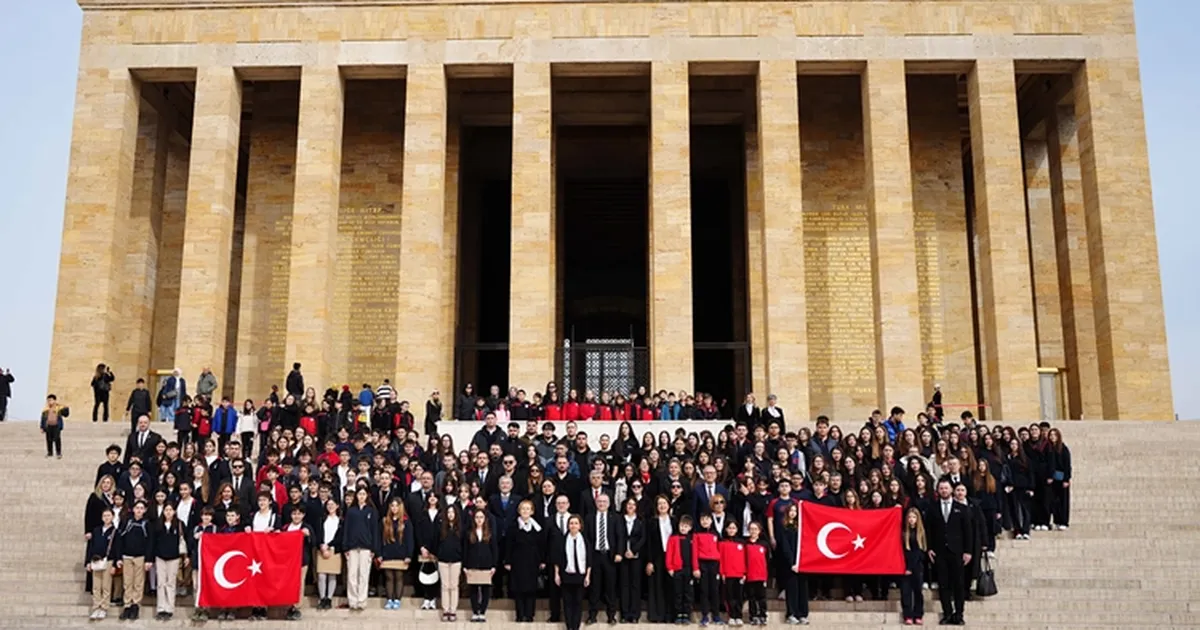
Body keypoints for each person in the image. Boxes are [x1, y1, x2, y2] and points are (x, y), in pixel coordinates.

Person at [926, 479, 971, 625]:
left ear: (951, 490)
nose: (944, 490)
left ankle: (959, 614)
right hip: (940, 551)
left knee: (958, 584)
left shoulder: (961, 508)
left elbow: (968, 532)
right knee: (943, 584)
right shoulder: (932, 508)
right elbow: (929, 530)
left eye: (946, 488)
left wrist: (968, 551)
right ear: (938, 491)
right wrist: (929, 548)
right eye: (941, 488)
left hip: (957, 551)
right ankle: (947, 613)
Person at [585, 493, 623, 625]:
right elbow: (587, 539)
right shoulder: (589, 518)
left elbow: (620, 536)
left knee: (610, 587)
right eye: (599, 501)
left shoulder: (615, 517)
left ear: (609, 503)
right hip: (595, 555)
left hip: (610, 556)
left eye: (604, 501)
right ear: (596, 503)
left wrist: (619, 552)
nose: (602, 504)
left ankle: (611, 615)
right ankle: (592, 615)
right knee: (594, 587)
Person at [506, 499, 545, 622]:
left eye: (528, 509)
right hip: (518, 561)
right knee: (519, 589)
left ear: (532, 511)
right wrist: (507, 561)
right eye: (523, 509)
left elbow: (541, 545)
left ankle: (529, 615)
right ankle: (520, 614)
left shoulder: (537, 528)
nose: (525, 511)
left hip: (533, 561)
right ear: (519, 511)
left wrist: (542, 560)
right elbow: (508, 545)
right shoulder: (513, 526)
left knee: (531, 590)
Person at [343, 486, 381, 611]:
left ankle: (362, 600)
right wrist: (345, 547)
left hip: (366, 548)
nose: (361, 497)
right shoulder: (351, 511)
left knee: (364, 575)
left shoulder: (371, 511)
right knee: (352, 574)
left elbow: (375, 531)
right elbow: (346, 530)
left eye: (364, 494)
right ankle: (352, 600)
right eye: (359, 494)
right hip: (352, 547)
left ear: (367, 496)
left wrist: (374, 549)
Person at [116, 499, 153, 620]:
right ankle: (127, 605)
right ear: (133, 509)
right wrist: (119, 557)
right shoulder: (127, 522)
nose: (139, 510)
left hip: (140, 557)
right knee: (128, 582)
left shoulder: (147, 524)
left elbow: (149, 543)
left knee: (138, 582)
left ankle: (135, 604)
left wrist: (148, 559)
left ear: (145, 510)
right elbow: (119, 540)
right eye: (137, 508)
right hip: (127, 556)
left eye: (142, 508)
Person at [554, 514, 591, 630]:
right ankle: (569, 626)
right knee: (567, 603)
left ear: (580, 526)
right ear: (568, 525)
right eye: (571, 523)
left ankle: (576, 627)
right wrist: (557, 574)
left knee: (578, 603)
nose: (573, 525)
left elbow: (589, 560)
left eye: (576, 523)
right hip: (566, 575)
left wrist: (588, 576)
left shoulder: (585, 540)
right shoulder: (562, 540)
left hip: (580, 576)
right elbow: (557, 559)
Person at [378, 498, 414, 610]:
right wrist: (379, 554)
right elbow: (379, 538)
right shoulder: (385, 521)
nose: (394, 508)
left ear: (400, 507)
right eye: (392, 506)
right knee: (389, 577)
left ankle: (397, 599)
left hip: (401, 553)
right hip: (387, 552)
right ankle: (389, 599)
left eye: (396, 506)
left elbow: (409, 539)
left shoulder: (406, 521)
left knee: (398, 576)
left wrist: (409, 555)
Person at [152, 502, 186, 621]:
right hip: (160, 557)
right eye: (166, 510)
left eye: (170, 510)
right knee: (161, 583)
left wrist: (186, 557)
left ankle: (170, 608)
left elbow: (184, 540)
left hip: (174, 557)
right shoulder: (158, 525)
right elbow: (153, 541)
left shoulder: (179, 524)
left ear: (174, 511)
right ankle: (161, 608)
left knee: (171, 583)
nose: (168, 512)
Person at [464, 507, 499, 621]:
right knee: (473, 589)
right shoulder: (469, 532)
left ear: (485, 519)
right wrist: (465, 566)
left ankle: (482, 612)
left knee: (485, 590)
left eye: (481, 517)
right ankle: (475, 611)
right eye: (477, 517)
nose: (479, 520)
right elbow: (465, 549)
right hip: (472, 564)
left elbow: (494, 550)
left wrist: (494, 565)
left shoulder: (490, 532)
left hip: (486, 565)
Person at [85, 507, 120, 620]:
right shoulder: (96, 530)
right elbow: (90, 547)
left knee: (106, 586)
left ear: (113, 517)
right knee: (96, 586)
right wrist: (88, 561)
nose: (106, 518)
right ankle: (96, 607)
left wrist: (114, 564)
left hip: (108, 560)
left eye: (109, 516)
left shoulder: (115, 531)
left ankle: (104, 608)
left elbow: (117, 549)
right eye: (104, 516)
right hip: (96, 561)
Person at [776, 503, 807, 625]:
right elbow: (785, 547)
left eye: (795, 511)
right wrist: (792, 562)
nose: (793, 513)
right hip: (791, 564)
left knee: (802, 589)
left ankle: (803, 614)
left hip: (803, 564)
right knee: (792, 589)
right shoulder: (784, 527)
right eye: (791, 510)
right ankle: (792, 613)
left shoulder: (801, 527)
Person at [645, 495, 674, 623]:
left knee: (670, 585)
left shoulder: (674, 520)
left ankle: (670, 615)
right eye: (659, 504)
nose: (662, 506)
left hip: (671, 556)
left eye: (664, 503)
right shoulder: (652, 521)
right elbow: (649, 542)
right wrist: (650, 561)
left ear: (668, 505)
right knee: (656, 585)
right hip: (657, 556)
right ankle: (657, 615)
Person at [616, 497, 645, 622]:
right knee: (624, 585)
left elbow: (643, 538)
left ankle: (634, 614)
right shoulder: (619, 520)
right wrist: (622, 552)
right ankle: (624, 614)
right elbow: (618, 537)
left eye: (633, 504)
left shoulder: (641, 520)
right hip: (623, 556)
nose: (631, 506)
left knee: (635, 585)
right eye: (629, 504)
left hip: (636, 556)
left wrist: (633, 551)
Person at [437, 503, 465, 621]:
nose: (450, 515)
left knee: (454, 585)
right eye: (448, 512)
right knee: (445, 585)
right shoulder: (441, 526)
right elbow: (436, 542)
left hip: (456, 560)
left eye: (452, 512)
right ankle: (446, 609)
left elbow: (464, 544)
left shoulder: (461, 528)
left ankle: (453, 609)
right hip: (443, 560)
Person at [692, 512, 722, 625]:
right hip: (702, 564)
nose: (705, 521)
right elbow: (694, 552)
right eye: (702, 519)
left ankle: (716, 615)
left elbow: (720, 551)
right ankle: (705, 615)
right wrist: (696, 568)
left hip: (714, 564)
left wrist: (720, 568)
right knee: (704, 591)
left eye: (707, 519)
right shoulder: (697, 534)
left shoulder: (716, 534)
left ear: (711, 520)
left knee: (715, 590)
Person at [666, 514, 696, 624]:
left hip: (688, 569)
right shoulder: (673, 538)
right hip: (677, 569)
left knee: (687, 592)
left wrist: (695, 569)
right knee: (677, 592)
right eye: (682, 525)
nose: (683, 528)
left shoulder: (692, 539)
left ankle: (686, 614)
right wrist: (669, 567)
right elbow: (669, 554)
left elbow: (694, 555)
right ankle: (678, 613)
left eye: (686, 526)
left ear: (690, 528)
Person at [315, 498, 344, 610]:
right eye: (328, 504)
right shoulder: (322, 519)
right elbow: (318, 533)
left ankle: (329, 599)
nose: (330, 506)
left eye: (333, 504)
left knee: (332, 575)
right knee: (321, 575)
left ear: (337, 506)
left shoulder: (340, 521)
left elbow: (340, 536)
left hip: (334, 549)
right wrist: (322, 546)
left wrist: (329, 545)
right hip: (322, 548)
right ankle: (322, 598)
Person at [900, 507, 927, 625]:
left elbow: (920, 552)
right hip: (904, 566)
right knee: (905, 592)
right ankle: (907, 615)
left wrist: (911, 567)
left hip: (917, 566)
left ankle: (918, 614)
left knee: (917, 592)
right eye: (910, 517)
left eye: (914, 517)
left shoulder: (921, 533)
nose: (911, 520)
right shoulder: (903, 533)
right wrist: (906, 567)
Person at [718, 518, 746, 626]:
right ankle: (731, 616)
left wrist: (744, 573)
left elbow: (744, 559)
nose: (731, 530)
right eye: (729, 528)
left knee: (739, 596)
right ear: (726, 529)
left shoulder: (742, 543)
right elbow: (720, 559)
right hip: (728, 574)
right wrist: (722, 573)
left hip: (739, 574)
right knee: (729, 597)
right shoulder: (722, 543)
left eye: (733, 528)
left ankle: (738, 616)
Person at [743, 521, 769, 626]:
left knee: (761, 597)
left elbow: (767, 561)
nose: (753, 531)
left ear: (759, 531)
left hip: (761, 575)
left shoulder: (764, 544)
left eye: (755, 529)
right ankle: (753, 616)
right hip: (750, 575)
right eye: (751, 529)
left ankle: (763, 615)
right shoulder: (745, 544)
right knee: (751, 597)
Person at [41, 394, 69, 458]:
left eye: (50, 400)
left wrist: (65, 408)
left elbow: (66, 414)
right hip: (48, 426)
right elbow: (43, 419)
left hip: (56, 426)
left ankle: (58, 453)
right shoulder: (46, 409)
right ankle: (50, 452)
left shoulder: (58, 408)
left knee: (57, 439)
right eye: (48, 400)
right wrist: (42, 427)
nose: (49, 402)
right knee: (49, 440)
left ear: (54, 400)